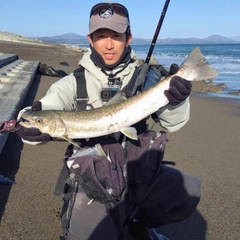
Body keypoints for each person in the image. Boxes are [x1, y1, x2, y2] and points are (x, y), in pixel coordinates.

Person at [16, 2, 201, 240]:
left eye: (116, 35)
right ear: (90, 39)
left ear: (128, 37)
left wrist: (177, 101)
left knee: (188, 191)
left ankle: (138, 222)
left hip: (138, 171)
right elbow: (42, 111)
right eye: (101, 36)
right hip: (94, 178)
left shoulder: (150, 77)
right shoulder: (71, 83)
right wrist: (27, 124)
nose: (109, 44)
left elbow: (173, 123)